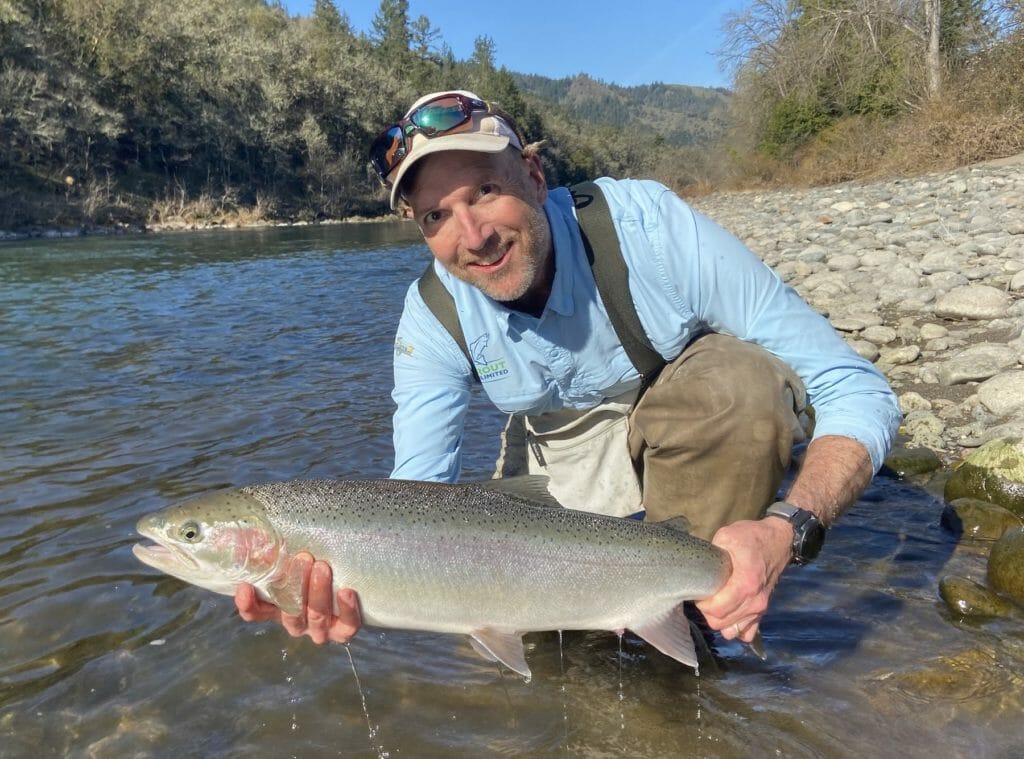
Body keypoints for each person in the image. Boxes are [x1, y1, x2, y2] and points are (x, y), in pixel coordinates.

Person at [236, 90, 901, 654]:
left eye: (485, 191)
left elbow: (857, 389)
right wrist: (362, 586)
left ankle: (702, 613)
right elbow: (416, 499)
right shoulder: (432, 313)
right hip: (559, 466)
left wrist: (790, 526)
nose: (471, 235)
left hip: (694, 425)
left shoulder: (650, 228)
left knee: (739, 387)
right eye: (436, 216)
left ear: (534, 173)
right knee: (544, 660)